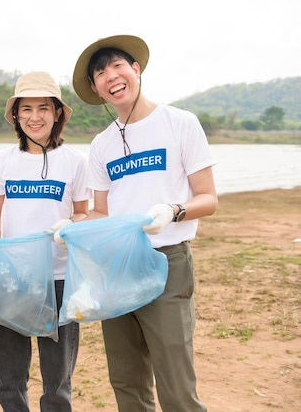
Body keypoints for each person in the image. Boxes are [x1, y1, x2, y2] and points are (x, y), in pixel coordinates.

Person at [70, 35, 218, 411]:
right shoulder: (101, 144)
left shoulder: (180, 123)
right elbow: (101, 213)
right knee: (126, 379)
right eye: (100, 72)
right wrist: (73, 228)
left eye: (117, 66)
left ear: (135, 70)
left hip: (166, 261)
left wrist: (173, 211)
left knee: (175, 381)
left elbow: (208, 198)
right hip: (116, 267)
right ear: (95, 88)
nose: (111, 76)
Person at [0, 71, 91, 412]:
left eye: (43, 108)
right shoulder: (3, 162)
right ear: (15, 115)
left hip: (59, 278)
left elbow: (84, 214)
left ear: (57, 113)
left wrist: (69, 226)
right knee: (8, 376)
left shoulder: (74, 162)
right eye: (25, 109)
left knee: (57, 379)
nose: (34, 117)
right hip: (12, 277)